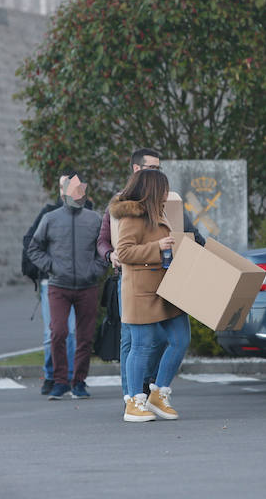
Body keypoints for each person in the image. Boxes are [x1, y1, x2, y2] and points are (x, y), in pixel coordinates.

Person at [96, 148, 204, 405]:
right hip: (138, 285)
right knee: (136, 341)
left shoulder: (166, 209)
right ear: (140, 172)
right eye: (154, 169)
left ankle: (155, 391)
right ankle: (133, 396)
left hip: (166, 283)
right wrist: (110, 254)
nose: (159, 175)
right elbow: (116, 246)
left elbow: (192, 235)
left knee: (175, 340)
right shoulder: (128, 210)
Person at [112, 169, 191, 422]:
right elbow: (123, 253)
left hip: (166, 288)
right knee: (142, 345)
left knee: (181, 338)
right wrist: (156, 248)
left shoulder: (160, 212)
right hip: (142, 291)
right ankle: (135, 401)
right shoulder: (132, 216)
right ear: (152, 189)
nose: (167, 193)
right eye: (164, 188)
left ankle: (159, 394)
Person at [27, 173, 107, 400]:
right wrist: (51, 266)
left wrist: (96, 270)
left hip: (87, 286)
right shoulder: (50, 219)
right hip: (59, 286)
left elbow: (104, 247)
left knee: (84, 337)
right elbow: (34, 247)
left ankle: (79, 382)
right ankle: (61, 381)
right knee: (58, 332)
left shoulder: (94, 219)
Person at [22, 180, 81, 395]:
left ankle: (70, 377)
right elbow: (31, 243)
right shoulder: (48, 213)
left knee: (72, 332)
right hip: (52, 282)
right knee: (53, 332)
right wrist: (49, 267)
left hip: (78, 282)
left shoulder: (86, 214)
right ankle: (51, 376)